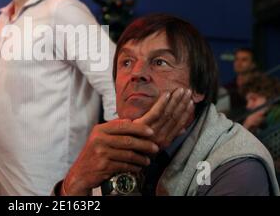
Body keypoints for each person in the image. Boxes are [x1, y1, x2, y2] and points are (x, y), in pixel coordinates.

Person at [57, 14, 279, 196]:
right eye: (126, 62)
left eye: (160, 62)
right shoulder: (108, 148)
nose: (136, 74)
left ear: (197, 89)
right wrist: (72, 185)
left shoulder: (236, 166)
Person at [0, 0, 116, 196]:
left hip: (51, 186)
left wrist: (114, 166)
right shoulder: (4, 20)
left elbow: (115, 82)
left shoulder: (64, 12)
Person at [224, 48, 258, 120]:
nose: (239, 63)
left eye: (244, 60)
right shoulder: (228, 87)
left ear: (253, 64)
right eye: (236, 59)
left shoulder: (261, 86)